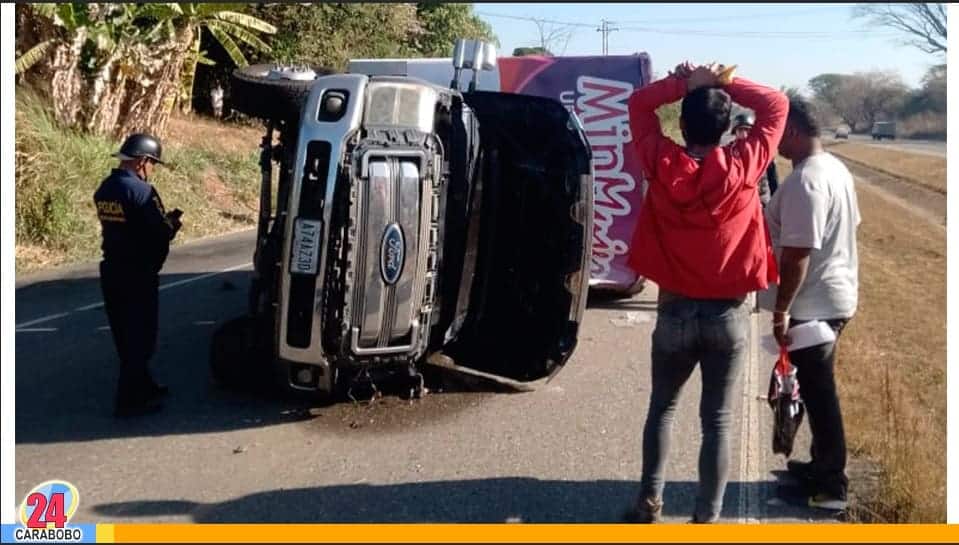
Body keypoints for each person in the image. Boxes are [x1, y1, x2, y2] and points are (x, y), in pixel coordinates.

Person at [624, 62, 787, 523]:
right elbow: (776, 104)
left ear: (685, 124)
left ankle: (649, 505)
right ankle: (706, 519)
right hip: (727, 316)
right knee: (716, 421)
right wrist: (726, 80)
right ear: (725, 126)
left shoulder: (661, 161)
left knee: (662, 411)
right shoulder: (745, 165)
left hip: (674, 310)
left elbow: (638, 104)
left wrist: (683, 83)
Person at [761, 97, 860, 511]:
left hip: (814, 305)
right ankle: (821, 465)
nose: (774, 140)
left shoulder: (806, 182)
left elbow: (798, 253)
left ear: (795, 132)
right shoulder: (833, 168)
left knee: (820, 395)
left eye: (779, 131)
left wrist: (781, 310)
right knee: (815, 389)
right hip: (831, 296)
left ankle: (831, 488)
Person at [94, 134, 183, 417]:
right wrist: (172, 224)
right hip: (137, 274)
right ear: (143, 161)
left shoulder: (105, 189)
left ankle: (144, 386)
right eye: (153, 163)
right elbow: (159, 233)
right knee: (142, 339)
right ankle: (128, 401)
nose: (152, 169)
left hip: (112, 271)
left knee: (125, 335)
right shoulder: (143, 192)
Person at [730, 112, 780, 207]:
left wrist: (776, 206)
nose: (744, 134)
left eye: (747, 130)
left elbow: (773, 181)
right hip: (739, 205)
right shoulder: (728, 154)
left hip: (762, 203)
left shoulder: (764, 153)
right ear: (735, 132)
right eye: (741, 130)